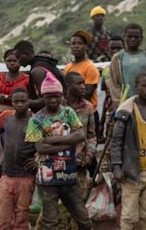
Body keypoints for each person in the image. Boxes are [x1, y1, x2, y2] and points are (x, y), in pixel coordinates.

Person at [25, 72, 91, 230]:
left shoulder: (68, 113)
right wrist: (69, 142)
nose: (53, 100)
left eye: (56, 95)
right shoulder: (36, 119)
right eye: (48, 96)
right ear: (43, 97)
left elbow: (81, 135)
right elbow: (40, 147)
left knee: (84, 219)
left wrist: (53, 140)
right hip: (47, 179)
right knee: (50, 222)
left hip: (70, 176)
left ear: (62, 95)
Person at [112, 72, 146, 230]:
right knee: (129, 215)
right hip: (132, 170)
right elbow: (116, 141)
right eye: (145, 86)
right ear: (136, 87)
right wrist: (116, 166)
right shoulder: (126, 112)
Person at [0, 88, 36, 230]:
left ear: (28, 102)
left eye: (22, 101)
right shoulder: (6, 118)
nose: (19, 104)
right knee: (2, 217)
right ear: (11, 102)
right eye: (16, 101)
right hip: (7, 175)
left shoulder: (34, 121)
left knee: (21, 216)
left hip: (26, 177)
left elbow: (43, 143)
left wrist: (38, 159)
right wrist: (0, 152)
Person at [63, 72, 95, 192]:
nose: (83, 87)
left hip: (79, 163)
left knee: (78, 202)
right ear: (68, 86)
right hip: (58, 162)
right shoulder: (58, 105)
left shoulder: (88, 107)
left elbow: (92, 135)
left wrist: (89, 155)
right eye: (79, 83)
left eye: (84, 83)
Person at [14, 40, 67, 112]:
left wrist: (25, 102)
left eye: (18, 58)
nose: (17, 62)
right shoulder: (46, 63)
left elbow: (46, 99)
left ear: (26, 54)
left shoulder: (37, 71)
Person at [105, 23, 146, 108]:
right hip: (125, 103)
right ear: (124, 37)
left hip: (144, 102)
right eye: (129, 37)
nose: (133, 39)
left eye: (136, 37)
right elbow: (114, 83)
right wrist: (119, 103)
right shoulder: (118, 57)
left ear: (141, 38)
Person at [63, 30, 100, 108]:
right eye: (73, 43)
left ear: (86, 46)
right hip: (71, 111)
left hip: (87, 112)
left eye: (80, 43)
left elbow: (87, 94)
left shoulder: (90, 67)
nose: (76, 46)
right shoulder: (67, 67)